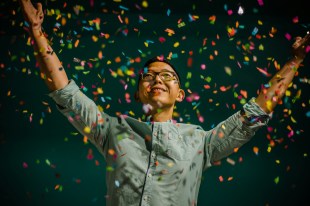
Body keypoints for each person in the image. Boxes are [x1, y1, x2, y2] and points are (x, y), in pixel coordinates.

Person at [19, 0, 310, 205]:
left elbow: (254, 114)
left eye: (167, 76)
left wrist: (296, 59)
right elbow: (65, 91)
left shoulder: (202, 142)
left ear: (180, 94)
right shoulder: (111, 130)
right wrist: (36, 30)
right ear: (138, 91)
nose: (157, 79)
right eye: (149, 76)